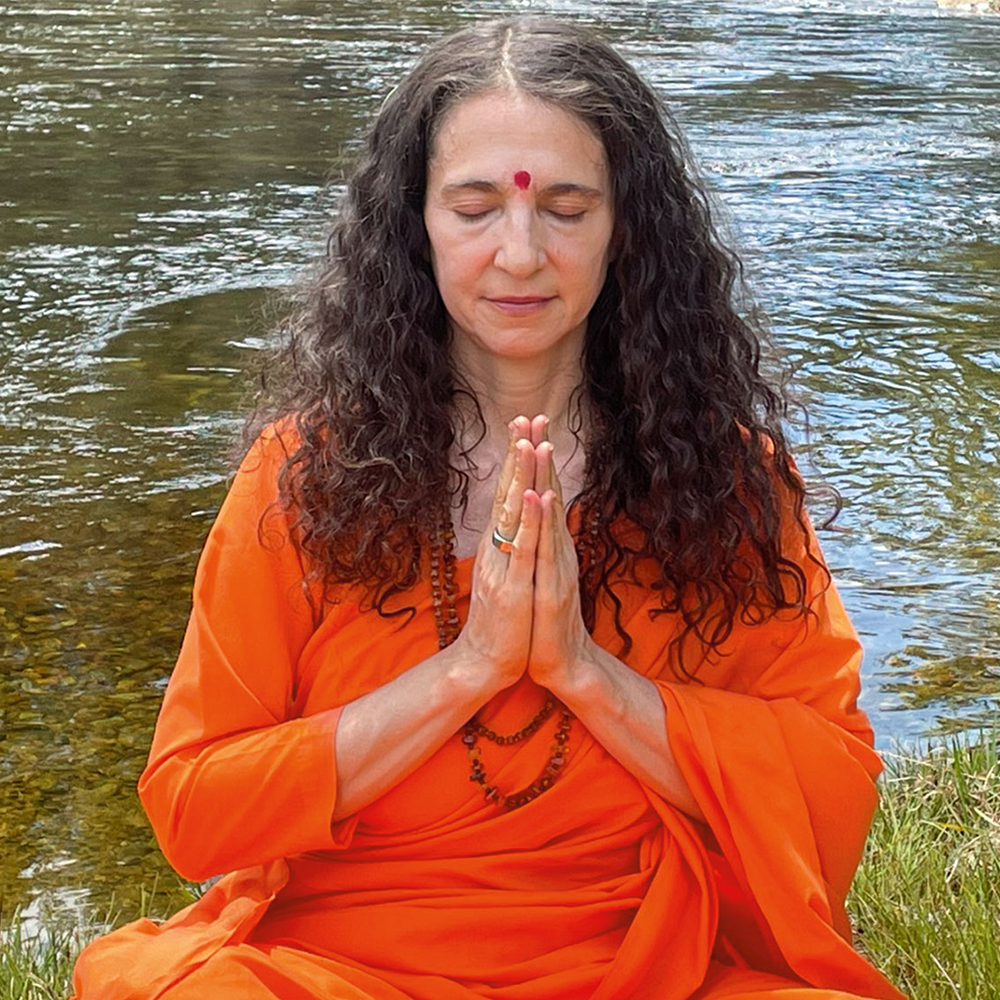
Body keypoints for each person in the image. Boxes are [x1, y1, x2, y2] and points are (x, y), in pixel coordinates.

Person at [71, 16, 906, 1000]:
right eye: (475, 208)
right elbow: (193, 810)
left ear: (625, 229)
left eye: (566, 208)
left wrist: (582, 672)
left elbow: (829, 792)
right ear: (414, 226)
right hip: (339, 972)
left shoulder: (726, 481)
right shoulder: (303, 476)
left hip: (645, 967)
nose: (520, 254)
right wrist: (468, 670)